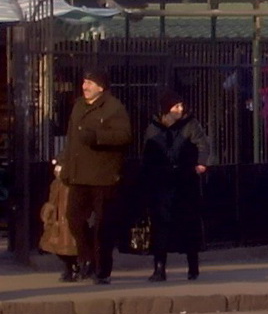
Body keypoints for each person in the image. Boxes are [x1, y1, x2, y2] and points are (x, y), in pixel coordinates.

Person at [57, 69, 132, 285]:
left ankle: (102, 270)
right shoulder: (79, 105)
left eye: (89, 82)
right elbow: (72, 139)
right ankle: (87, 257)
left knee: (103, 225)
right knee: (74, 218)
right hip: (79, 174)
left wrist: (97, 137)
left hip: (103, 176)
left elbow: (124, 135)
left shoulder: (114, 107)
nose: (85, 86)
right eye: (84, 82)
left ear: (101, 87)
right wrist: (63, 162)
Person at [142, 89, 211, 281]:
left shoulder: (190, 124)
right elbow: (148, 153)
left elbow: (202, 144)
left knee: (189, 224)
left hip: (184, 180)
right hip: (161, 182)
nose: (180, 109)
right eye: (176, 106)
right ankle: (159, 268)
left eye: (181, 105)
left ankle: (193, 266)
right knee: (160, 225)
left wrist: (201, 163)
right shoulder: (154, 127)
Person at [38, 170, 79, 282]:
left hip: (67, 219)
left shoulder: (67, 183)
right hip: (60, 220)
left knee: (68, 246)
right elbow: (53, 201)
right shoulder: (57, 183)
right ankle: (72, 267)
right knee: (60, 246)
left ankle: (71, 268)